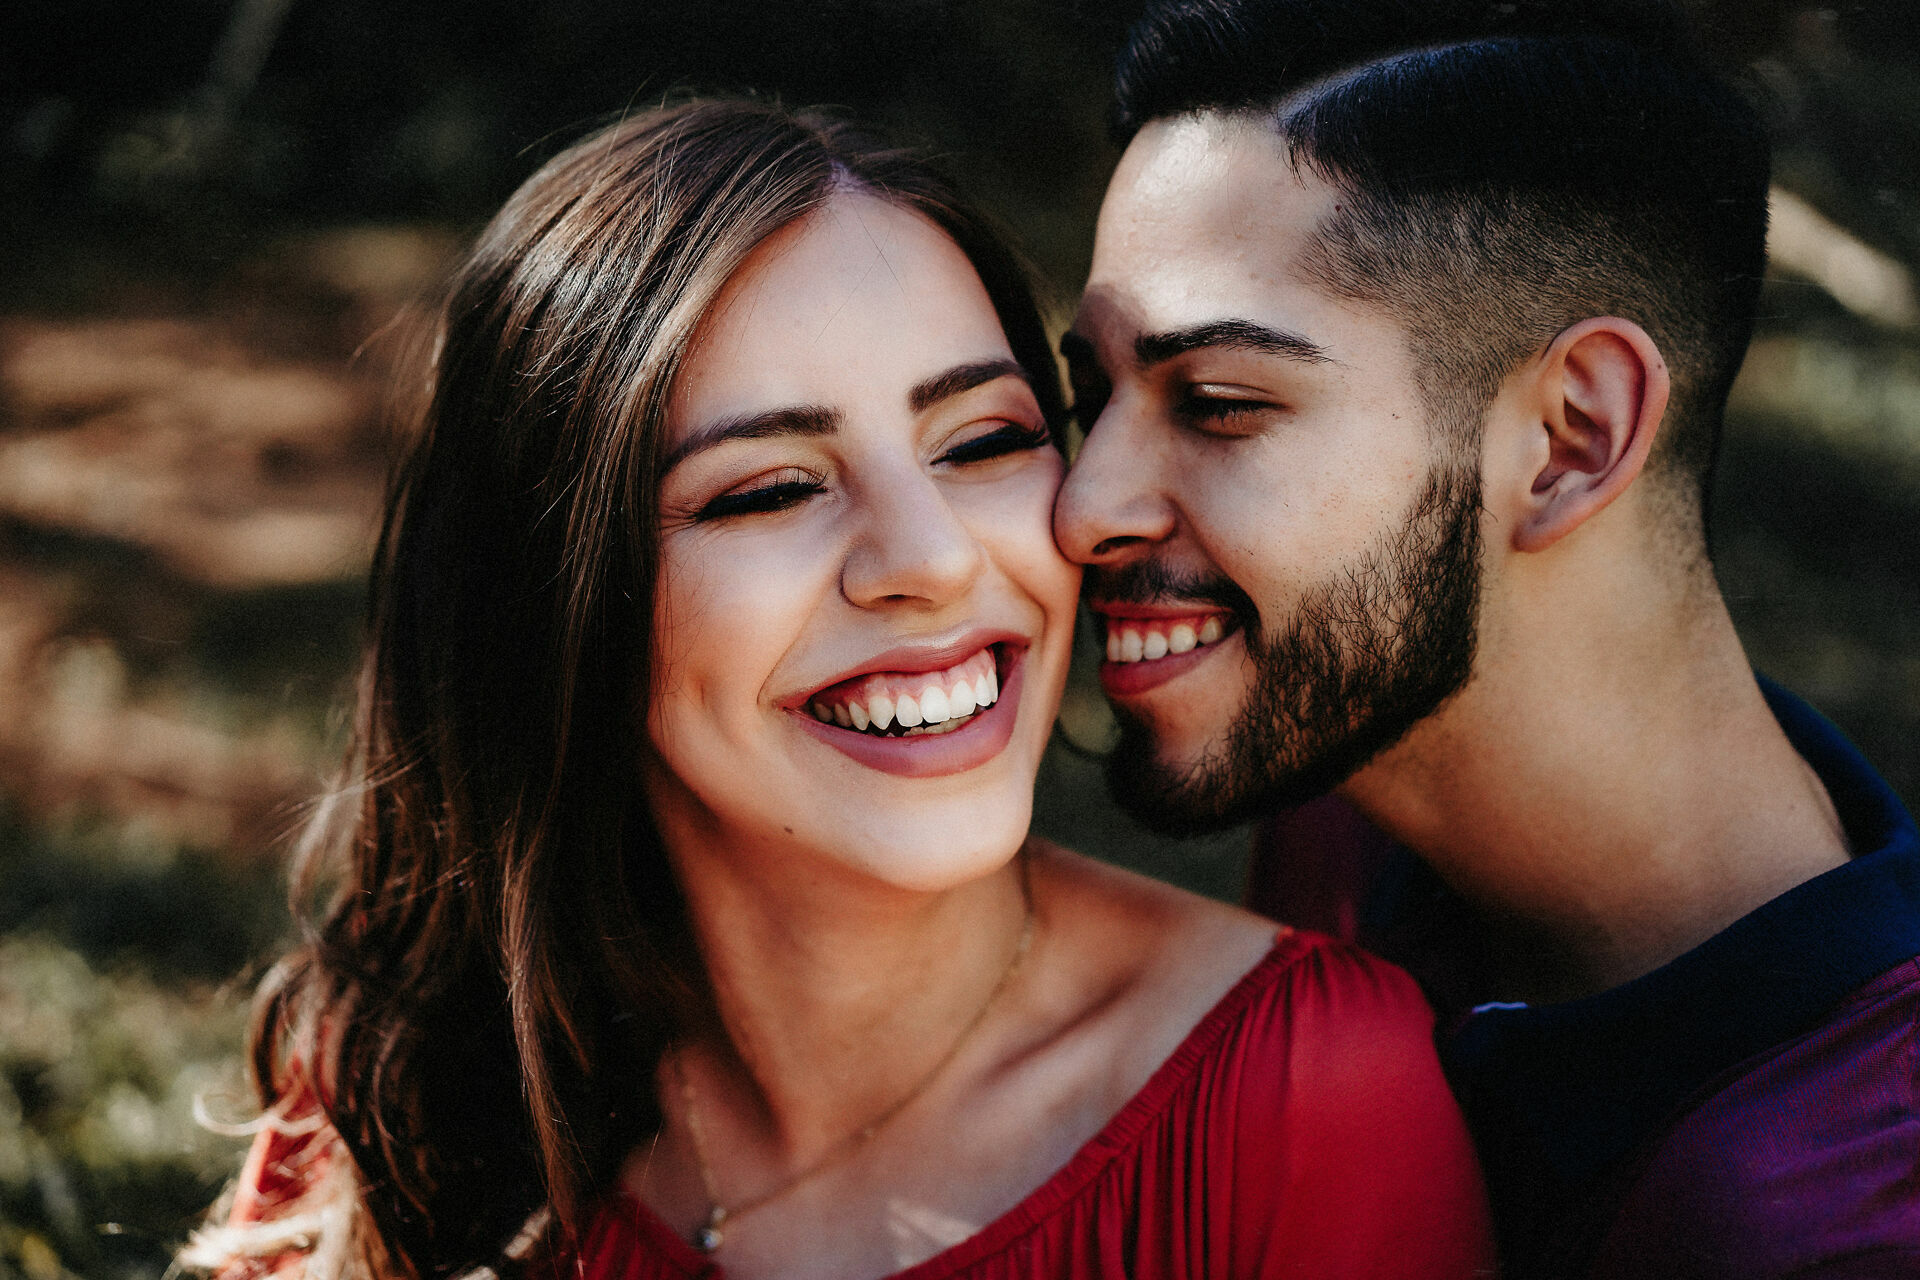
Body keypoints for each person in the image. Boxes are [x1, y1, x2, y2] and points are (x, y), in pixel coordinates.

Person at [180, 100, 1492, 1280]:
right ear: (557, 607)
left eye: (983, 442)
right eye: (771, 488)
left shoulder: (1306, 1100)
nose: (929, 558)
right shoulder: (419, 1090)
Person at [1053, 1, 1920, 1277]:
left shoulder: (1838, 1216)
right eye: (1092, 397)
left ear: (1571, 437)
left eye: (1221, 403)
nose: (1081, 507)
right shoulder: (1343, 793)